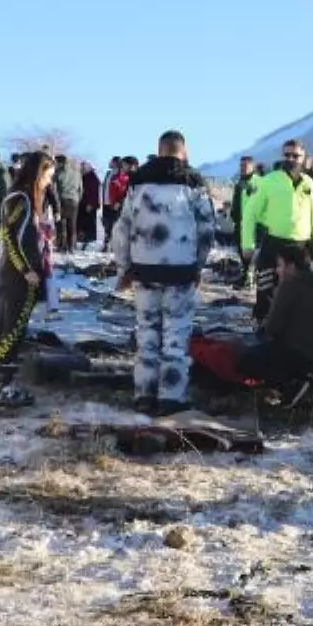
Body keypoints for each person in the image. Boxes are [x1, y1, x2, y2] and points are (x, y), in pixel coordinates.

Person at [113, 130, 216, 415]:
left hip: (144, 268)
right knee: (176, 335)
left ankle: (144, 394)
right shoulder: (194, 182)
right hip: (181, 269)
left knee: (146, 331)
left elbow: (122, 229)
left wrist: (124, 267)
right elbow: (207, 229)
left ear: (158, 150)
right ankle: (172, 395)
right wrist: (198, 265)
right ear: (183, 150)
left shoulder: (138, 181)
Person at [0, 151, 54, 414]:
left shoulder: (30, 200)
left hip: (25, 275)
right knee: (11, 330)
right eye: (47, 175)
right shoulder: (20, 198)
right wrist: (25, 270)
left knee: (10, 329)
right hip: (18, 277)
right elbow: (9, 236)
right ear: (37, 173)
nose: (49, 181)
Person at [247, 139, 313, 321]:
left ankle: (295, 331)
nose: (291, 159)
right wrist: (247, 244)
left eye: (296, 156)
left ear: (303, 158)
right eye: (287, 155)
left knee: (304, 292)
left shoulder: (310, 184)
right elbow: (250, 214)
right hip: (274, 243)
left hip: (301, 247)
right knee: (266, 290)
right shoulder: (268, 181)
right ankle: (263, 328)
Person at [238, 245, 313, 388]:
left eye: (280, 265)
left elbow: (271, 328)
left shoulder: (290, 286)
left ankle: (291, 385)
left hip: (298, 353)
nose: (277, 270)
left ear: (291, 266)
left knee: (244, 360)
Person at [230, 156, 259, 287]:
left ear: (252, 166)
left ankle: (250, 277)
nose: (243, 168)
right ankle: (246, 274)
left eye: (245, 165)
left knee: (250, 250)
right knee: (241, 249)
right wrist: (233, 215)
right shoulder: (239, 183)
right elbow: (236, 201)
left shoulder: (258, 183)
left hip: (253, 223)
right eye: (241, 165)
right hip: (239, 222)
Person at [53, 155, 82, 254]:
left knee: (61, 224)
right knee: (72, 225)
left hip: (62, 200)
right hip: (74, 201)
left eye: (56, 162)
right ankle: (71, 247)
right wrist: (77, 199)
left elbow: (54, 189)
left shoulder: (58, 173)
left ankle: (61, 246)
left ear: (60, 163)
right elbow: (81, 189)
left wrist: (54, 202)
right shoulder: (77, 173)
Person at [101, 157, 125, 249]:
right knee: (106, 223)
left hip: (115, 204)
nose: (109, 162)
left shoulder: (121, 174)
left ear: (116, 163)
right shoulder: (108, 173)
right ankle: (106, 244)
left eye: (111, 161)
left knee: (114, 224)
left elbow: (123, 190)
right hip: (106, 202)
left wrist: (118, 202)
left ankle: (114, 245)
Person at [78, 162, 101, 249]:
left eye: (84, 167)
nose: (82, 169)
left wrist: (91, 203)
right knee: (82, 223)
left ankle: (88, 241)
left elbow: (94, 192)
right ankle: (82, 241)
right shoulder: (84, 176)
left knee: (89, 224)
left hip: (89, 204)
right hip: (83, 203)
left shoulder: (92, 178)